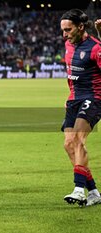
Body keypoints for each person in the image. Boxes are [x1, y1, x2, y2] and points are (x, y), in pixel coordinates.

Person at [60, 9, 101, 207]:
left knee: (78, 139)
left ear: (81, 27)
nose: (64, 34)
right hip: (74, 100)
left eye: (68, 30)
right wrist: (69, 100)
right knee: (68, 144)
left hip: (94, 98)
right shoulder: (68, 45)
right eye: (63, 30)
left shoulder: (95, 48)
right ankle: (93, 191)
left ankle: (78, 190)